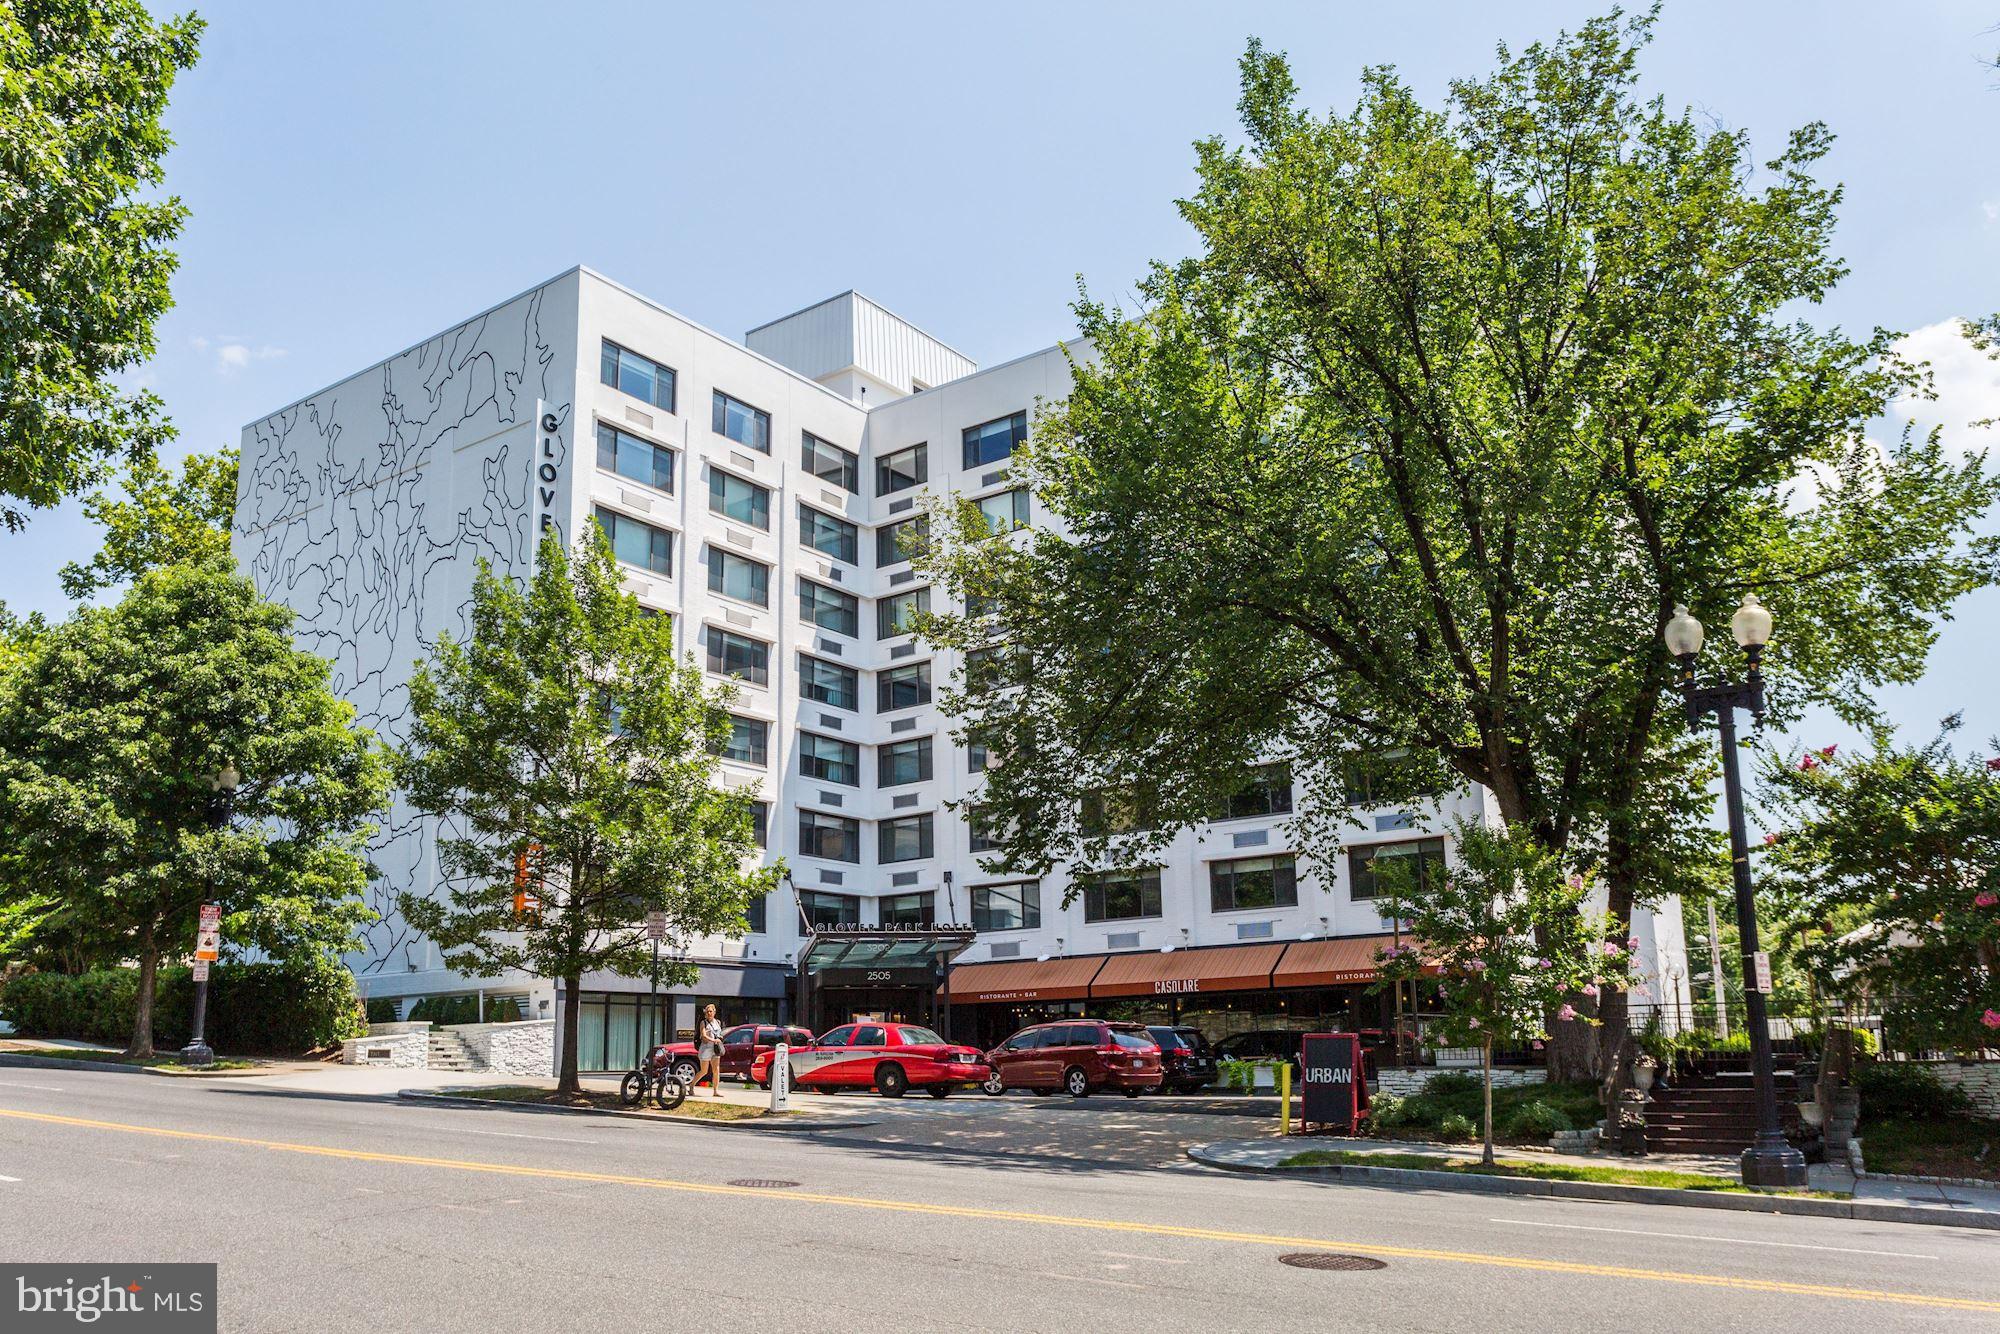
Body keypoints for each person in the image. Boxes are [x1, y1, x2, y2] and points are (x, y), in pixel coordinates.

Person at [695, 1004, 725, 1098]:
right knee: (704, 1071)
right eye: (707, 1012)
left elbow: (720, 1034)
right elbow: (703, 1036)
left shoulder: (718, 1022)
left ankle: (715, 1091)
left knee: (716, 1070)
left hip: (715, 1049)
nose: (709, 1013)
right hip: (705, 1049)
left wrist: (719, 1038)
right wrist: (713, 1040)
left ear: (714, 1012)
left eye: (711, 1011)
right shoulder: (703, 1023)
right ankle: (691, 1085)